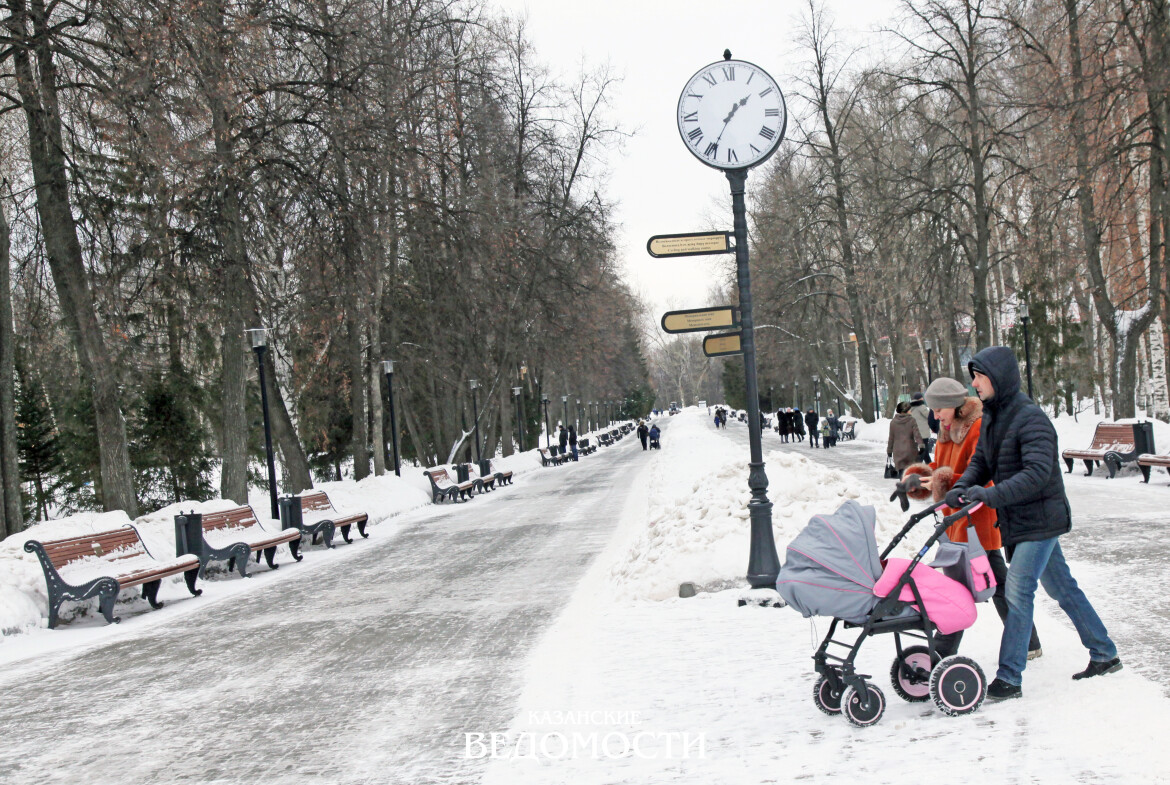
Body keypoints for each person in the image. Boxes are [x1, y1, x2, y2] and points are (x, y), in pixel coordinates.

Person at [945, 346, 1120, 701]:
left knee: (1018, 590)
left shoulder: (1031, 418)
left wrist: (989, 496)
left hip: (1041, 519)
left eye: (978, 377)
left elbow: (1038, 474)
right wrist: (962, 486)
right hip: (1021, 521)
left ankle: (1009, 678)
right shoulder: (994, 417)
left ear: (997, 377)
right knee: (1063, 588)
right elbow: (982, 462)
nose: (974, 384)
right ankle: (1105, 653)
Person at [899, 376, 1041, 661]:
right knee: (991, 583)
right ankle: (1027, 641)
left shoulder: (977, 427)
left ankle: (946, 646)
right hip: (957, 520)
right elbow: (940, 467)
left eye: (938, 410)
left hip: (978, 520)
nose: (934, 415)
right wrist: (919, 479)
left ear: (952, 405)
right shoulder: (946, 428)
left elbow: (982, 477)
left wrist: (938, 482)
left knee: (975, 584)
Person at [887, 401, 925, 474]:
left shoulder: (893, 422)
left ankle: (903, 483)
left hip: (897, 452)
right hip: (910, 450)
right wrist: (921, 445)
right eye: (910, 410)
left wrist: (889, 451)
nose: (911, 411)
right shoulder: (912, 420)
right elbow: (917, 434)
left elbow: (891, 438)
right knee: (911, 472)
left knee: (902, 473)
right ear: (906, 410)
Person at [909, 391, 933, 462]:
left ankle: (929, 465)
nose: (923, 399)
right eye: (921, 397)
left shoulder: (910, 407)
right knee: (924, 451)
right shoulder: (921, 407)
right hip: (923, 433)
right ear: (919, 399)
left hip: (915, 432)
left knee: (923, 451)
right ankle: (919, 464)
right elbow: (929, 416)